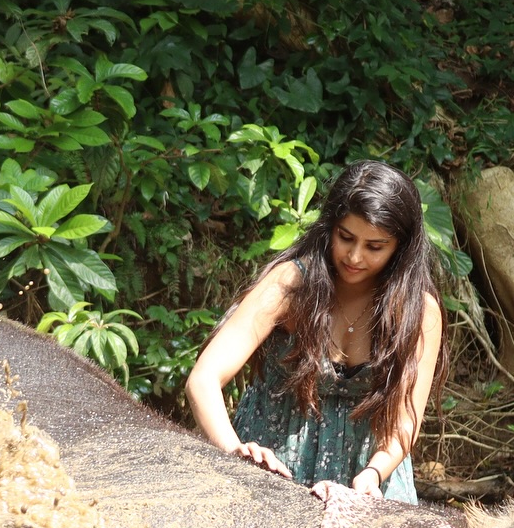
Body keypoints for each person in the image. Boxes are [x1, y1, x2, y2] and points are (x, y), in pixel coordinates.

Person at [185, 160, 447, 503]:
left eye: (374, 246)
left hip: (367, 480)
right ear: (330, 227)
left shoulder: (418, 313)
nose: (354, 256)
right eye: (346, 238)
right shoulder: (291, 284)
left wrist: (375, 473)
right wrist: (236, 453)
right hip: (271, 468)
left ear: (400, 247)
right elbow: (202, 379)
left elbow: (404, 422)